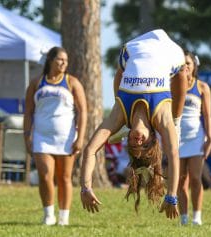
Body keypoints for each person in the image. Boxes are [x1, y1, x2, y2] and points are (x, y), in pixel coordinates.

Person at [80, 29, 188, 219]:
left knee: (122, 68)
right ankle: (178, 119)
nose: (138, 141)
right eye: (145, 145)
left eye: (133, 145)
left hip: (134, 47)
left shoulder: (119, 114)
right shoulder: (162, 118)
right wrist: (171, 196)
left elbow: (90, 150)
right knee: (182, 72)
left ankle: (120, 96)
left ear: (128, 139)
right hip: (169, 51)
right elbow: (173, 154)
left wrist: (85, 187)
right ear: (153, 138)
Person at [23, 47, 87, 225]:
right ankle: (48, 215)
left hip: (65, 138)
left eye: (66, 60)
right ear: (50, 60)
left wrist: (80, 137)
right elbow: (28, 112)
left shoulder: (72, 82)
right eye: (60, 59)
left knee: (64, 177)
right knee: (45, 175)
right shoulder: (37, 83)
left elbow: (83, 112)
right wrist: (27, 135)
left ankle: (64, 217)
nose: (63, 63)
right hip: (41, 136)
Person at [178, 50, 211, 226]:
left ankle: (197, 216)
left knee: (195, 178)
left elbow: (207, 116)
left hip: (195, 137)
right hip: (177, 138)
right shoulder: (172, 85)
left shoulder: (202, 87)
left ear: (194, 66)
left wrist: (210, 137)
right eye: (182, 64)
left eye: (188, 63)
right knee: (180, 179)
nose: (185, 67)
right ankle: (183, 217)